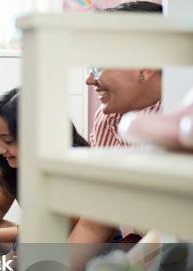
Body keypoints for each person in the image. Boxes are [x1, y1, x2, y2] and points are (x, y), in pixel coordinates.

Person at [69, 0, 162, 243]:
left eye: (98, 66)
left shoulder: (181, 121)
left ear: (146, 66)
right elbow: (96, 221)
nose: (89, 80)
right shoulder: (107, 118)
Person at [0, 87, 88, 245]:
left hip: (75, 244)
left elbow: (60, 228)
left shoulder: (71, 167)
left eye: (9, 141)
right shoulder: (15, 167)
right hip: (44, 239)